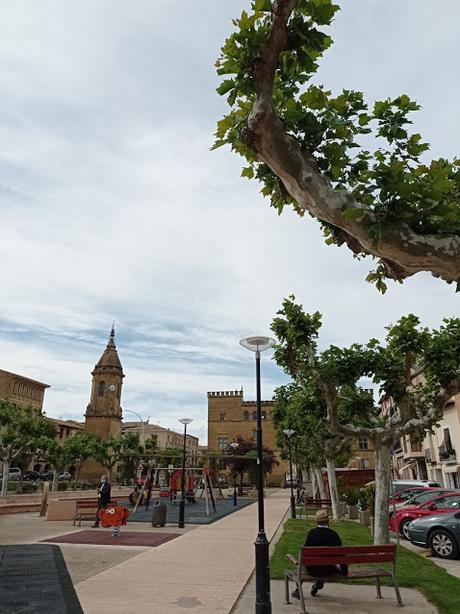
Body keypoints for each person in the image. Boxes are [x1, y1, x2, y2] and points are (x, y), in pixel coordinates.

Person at [292, 509, 347, 599]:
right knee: (320, 565)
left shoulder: (312, 534)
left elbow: (305, 555)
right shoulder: (334, 535)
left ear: (316, 521)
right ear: (328, 521)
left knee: (299, 563)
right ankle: (317, 585)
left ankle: (298, 590)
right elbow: (342, 556)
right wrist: (344, 572)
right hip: (329, 569)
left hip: (313, 570)